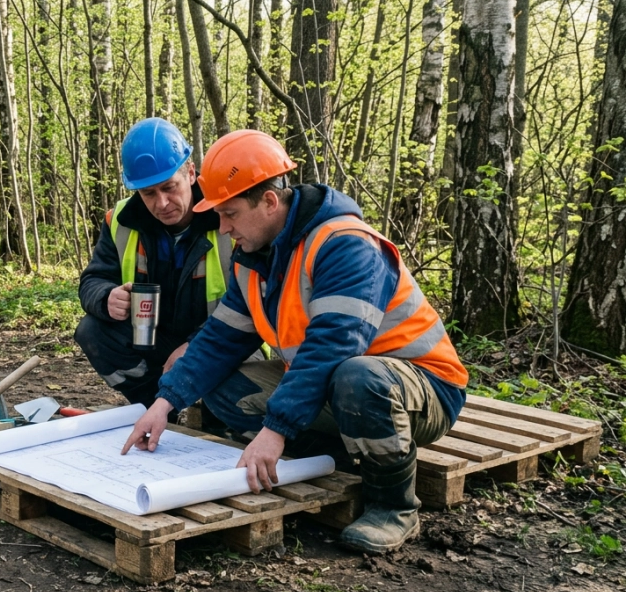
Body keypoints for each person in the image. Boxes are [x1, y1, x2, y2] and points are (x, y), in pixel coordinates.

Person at [121, 129, 468, 554]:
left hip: (419, 389)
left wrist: (276, 429)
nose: (223, 228)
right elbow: (217, 342)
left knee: (357, 378)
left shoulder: (345, 245)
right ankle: (336, 457)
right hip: (334, 387)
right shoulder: (254, 259)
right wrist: (163, 403)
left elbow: (333, 348)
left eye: (229, 214)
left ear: (269, 201)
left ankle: (393, 507)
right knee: (226, 388)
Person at [76, 118, 232, 411]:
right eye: (149, 193)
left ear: (190, 173)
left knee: (236, 374)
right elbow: (92, 281)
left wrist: (197, 346)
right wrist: (106, 297)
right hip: (151, 337)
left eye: (169, 187)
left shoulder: (227, 216)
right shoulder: (120, 221)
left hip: (217, 337)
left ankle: (214, 414)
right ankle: (155, 406)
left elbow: (248, 308)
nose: (161, 203)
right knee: (92, 331)